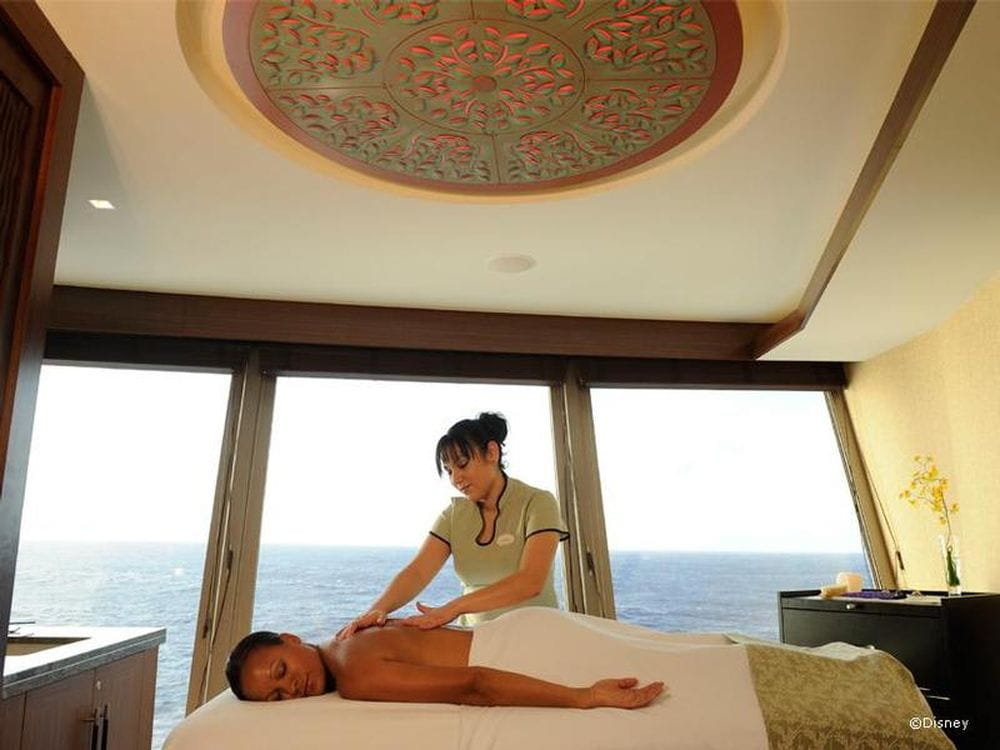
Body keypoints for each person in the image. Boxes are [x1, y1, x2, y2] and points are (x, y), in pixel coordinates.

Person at [337, 412, 568, 638]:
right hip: (474, 639)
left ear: (492, 452)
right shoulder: (454, 514)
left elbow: (530, 581)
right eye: (449, 471)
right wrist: (377, 610)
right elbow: (417, 572)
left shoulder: (538, 502)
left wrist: (452, 609)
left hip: (535, 636)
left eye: (462, 465)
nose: (456, 479)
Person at [226, 611, 664, 709]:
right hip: (525, 629)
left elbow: (475, 684)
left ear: (290, 639)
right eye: (277, 696)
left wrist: (584, 697)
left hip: (527, 651)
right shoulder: (348, 636)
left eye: (282, 670)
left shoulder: (355, 674)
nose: (291, 687)